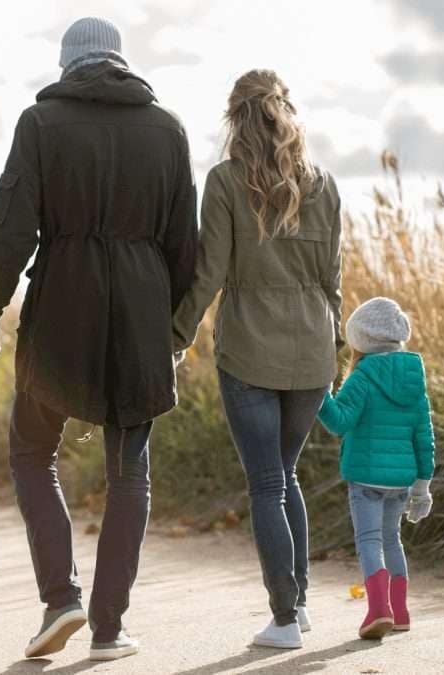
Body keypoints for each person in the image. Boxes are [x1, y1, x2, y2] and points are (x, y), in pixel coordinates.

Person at [0, 16, 198, 662]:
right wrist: (168, 328)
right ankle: (108, 627)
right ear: (121, 61)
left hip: (61, 308)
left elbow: (9, 234)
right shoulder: (168, 130)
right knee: (130, 474)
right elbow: (186, 250)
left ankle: (59, 597)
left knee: (33, 451)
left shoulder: (40, 125)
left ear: (67, 65)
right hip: (141, 317)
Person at [172, 69, 342, 650]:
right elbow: (333, 281)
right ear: (285, 113)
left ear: (234, 118)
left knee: (267, 482)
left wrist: (176, 335)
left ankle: (285, 617)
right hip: (314, 351)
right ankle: (299, 605)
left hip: (249, 350)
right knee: (284, 474)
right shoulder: (325, 184)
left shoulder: (223, 182)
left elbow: (209, 274)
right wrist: (337, 348)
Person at [315, 297, 436, 639]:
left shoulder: (363, 376)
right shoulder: (414, 378)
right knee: (392, 540)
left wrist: (320, 394)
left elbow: (339, 423)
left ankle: (378, 609)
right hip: (402, 480)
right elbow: (423, 434)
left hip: (366, 477)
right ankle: (399, 612)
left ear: (361, 341)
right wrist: (423, 485)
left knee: (369, 541)